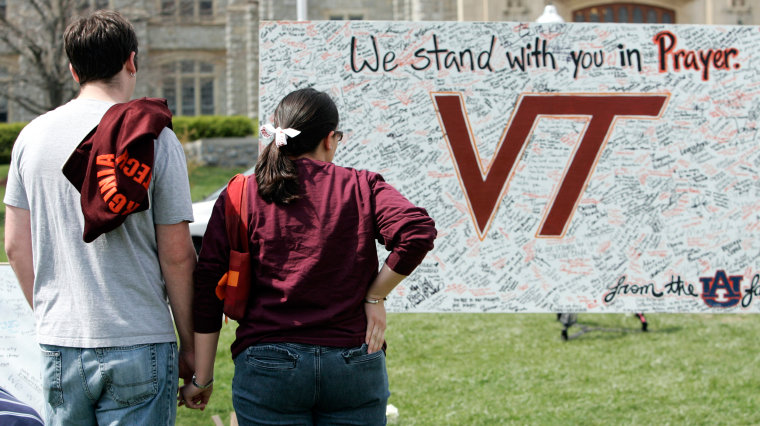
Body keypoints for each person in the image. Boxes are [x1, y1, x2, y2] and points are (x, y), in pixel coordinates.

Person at [182, 88, 437, 424]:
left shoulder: (240, 194)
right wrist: (375, 297)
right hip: (353, 359)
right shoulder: (362, 185)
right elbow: (417, 233)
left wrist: (202, 377)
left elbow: (207, 288)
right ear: (330, 139)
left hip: (268, 362)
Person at [3, 10, 196, 425]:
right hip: (139, 336)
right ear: (132, 61)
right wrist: (192, 343)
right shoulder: (155, 138)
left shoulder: (31, 138)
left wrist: (49, 315)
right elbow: (177, 254)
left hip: (61, 341)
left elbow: (16, 247)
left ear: (73, 70)